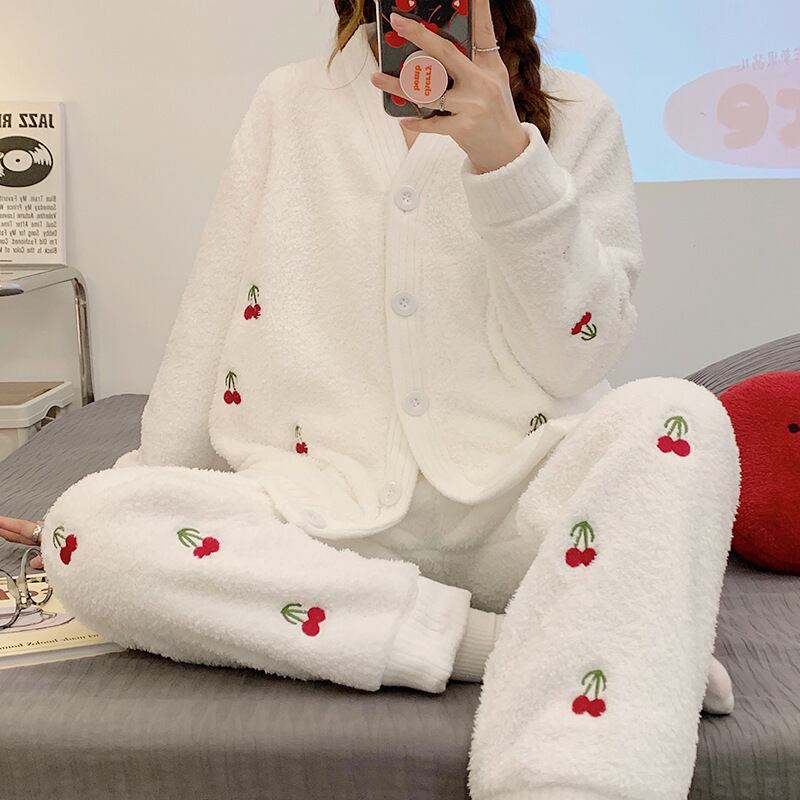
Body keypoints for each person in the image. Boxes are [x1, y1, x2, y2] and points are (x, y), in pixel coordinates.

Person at [0, 2, 740, 797]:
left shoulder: (577, 111)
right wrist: (146, 482)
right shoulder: (291, 102)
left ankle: (568, 777)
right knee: (87, 528)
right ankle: (520, 642)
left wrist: (508, 160)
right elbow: (216, 303)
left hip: (518, 514)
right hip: (321, 517)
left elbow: (578, 357)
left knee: (683, 416)